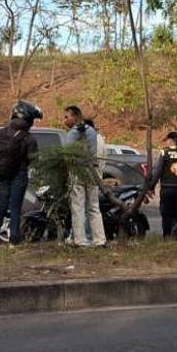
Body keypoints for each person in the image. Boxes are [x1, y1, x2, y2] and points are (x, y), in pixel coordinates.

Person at [0, 100, 41, 246]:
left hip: (2, 175)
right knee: (16, 207)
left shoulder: (0, 133)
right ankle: (13, 240)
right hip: (19, 175)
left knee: (0, 207)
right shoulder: (29, 138)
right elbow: (33, 159)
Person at [61, 105, 107, 248]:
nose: (65, 120)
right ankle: (100, 240)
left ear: (75, 116)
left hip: (78, 173)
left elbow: (66, 153)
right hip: (92, 173)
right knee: (94, 207)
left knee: (78, 207)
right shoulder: (92, 131)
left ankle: (80, 240)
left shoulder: (73, 133)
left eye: (66, 117)